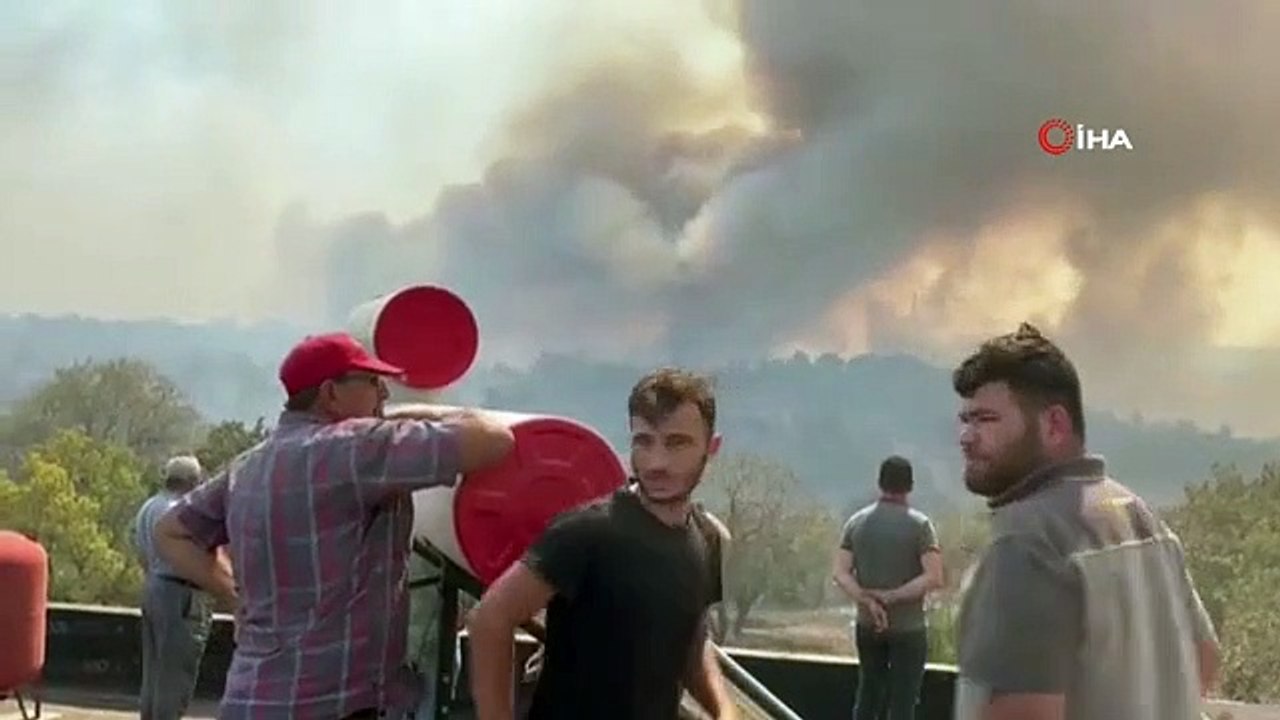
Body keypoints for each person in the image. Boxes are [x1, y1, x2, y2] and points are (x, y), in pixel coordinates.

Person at [152, 331, 515, 719]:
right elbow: (493, 440)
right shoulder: (354, 448)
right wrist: (411, 415)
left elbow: (171, 531)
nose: (384, 395)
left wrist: (235, 596)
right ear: (330, 393)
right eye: (373, 383)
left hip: (250, 699)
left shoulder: (251, 465)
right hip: (333, 704)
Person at [950, 323, 1220, 720]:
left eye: (986, 420)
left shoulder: (1026, 541)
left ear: (1054, 425)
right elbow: (1204, 661)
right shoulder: (1139, 515)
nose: (966, 437)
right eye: (966, 419)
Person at [466, 367, 737, 720]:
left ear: (711, 447)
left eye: (677, 443)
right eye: (644, 441)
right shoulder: (589, 531)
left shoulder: (707, 539)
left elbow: (690, 635)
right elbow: (489, 620)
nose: (657, 462)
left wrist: (723, 708)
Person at [832, 455, 943, 720]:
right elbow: (934, 576)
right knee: (903, 703)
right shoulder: (921, 526)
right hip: (909, 629)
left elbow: (840, 572)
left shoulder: (856, 523)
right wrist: (892, 597)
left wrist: (867, 600)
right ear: (910, 486)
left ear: (880, 483)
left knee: (868, 694)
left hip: (868, 626)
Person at [131, 454, 214, 720]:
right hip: (180, 591)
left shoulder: (149, 506)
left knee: (154, 670)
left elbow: (139, 548)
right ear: (193, 480)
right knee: (176, 672)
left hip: (154, 586)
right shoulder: (181, 510)